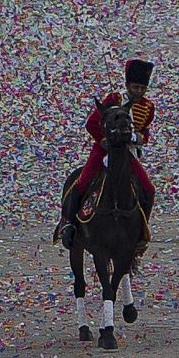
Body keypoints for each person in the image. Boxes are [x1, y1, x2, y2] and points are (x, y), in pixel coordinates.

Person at [62, 59, 156, 252]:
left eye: (142, 88)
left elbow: (144, 131)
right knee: (82, 183)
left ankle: (140, 234)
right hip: (105, 148)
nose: (138, 92)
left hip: (127, 152)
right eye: (135, 87)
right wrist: (104, 139)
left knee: (149, 189)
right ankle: (69, 224)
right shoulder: (115, 99)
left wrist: (137, 137)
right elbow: (92, 123)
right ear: (128, 85)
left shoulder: (148, 107)